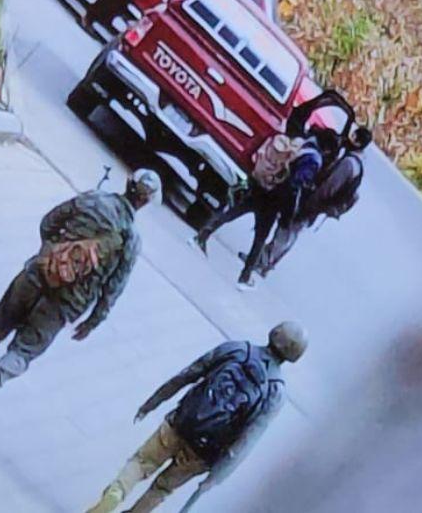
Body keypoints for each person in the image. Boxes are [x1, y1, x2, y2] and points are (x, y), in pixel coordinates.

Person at [0, 169, 162, 412]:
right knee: (24, 351)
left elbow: (48, 222)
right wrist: (93, 321)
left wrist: (50, 253)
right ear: (145, 201)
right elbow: (113, 289)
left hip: (36, 275)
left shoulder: (93, 198)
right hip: (66, 303)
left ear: (128, 182)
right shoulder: (131, 241)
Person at [86, 321, 308, 513]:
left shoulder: (237, 349)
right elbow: (246, 442)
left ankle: (114, 495)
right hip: (202, 453)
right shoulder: (275, 393)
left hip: (179, 424)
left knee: (141, 463)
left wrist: (153, 401)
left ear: (274, 332)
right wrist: (216, 477)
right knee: (162, 489)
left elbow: (189, 374)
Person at [193, 134, 323, 289]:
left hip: (261, 186)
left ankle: (201, 236)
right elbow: (295, 186)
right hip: (273, 200)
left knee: (231, 213)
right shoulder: (313, 160)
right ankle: (245, 277)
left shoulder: (297, 144)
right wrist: (287, 215)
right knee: (260, 238)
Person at [254, 124, 372, 276]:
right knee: (291, 232)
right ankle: (266, 262)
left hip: (315, 204)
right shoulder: (358, 163)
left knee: (288, 230)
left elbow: (328, 188)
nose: (348, 138)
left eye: (353, 137)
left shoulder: (348, 163)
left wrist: (308, 206)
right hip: (319, 206)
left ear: (357, 142)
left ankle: (263, 262)